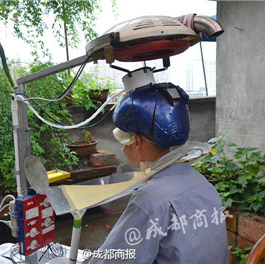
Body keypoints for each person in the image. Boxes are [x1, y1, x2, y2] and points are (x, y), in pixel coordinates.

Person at [89, 83, 229, 263]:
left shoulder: (149, 201)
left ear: (137, 142)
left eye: (122, 140)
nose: (122, 149)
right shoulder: (202, 183)